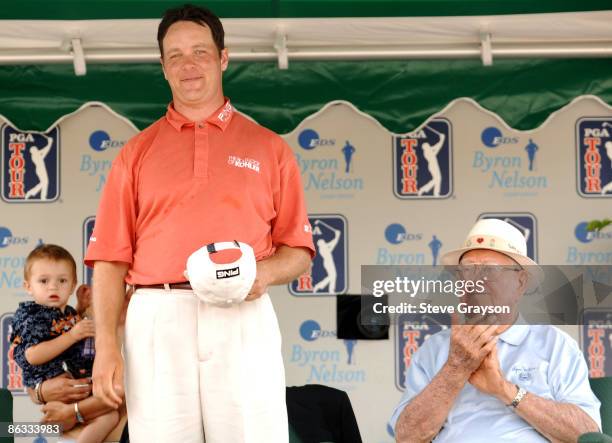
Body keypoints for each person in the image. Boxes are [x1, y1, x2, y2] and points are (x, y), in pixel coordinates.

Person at [85, 4, 314, 443]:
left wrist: (259, 273)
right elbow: (110, 260)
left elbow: (298, 251)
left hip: (242, 311)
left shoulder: (270, 148)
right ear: (163, 68)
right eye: (175, 56)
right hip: (157, 315)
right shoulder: (135, 153)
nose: (188, 66)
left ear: (223, 58)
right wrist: (108, 347)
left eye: (200, 53)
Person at [391, 218, 601, 443]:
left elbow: (588, 435)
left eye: (490, 270)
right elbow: (407, 437)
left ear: (520, 282)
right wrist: (455, 368)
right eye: (466, 271)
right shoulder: (435, 348)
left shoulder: (555, 345)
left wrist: (504, 389)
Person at [11, 244, 119, 443]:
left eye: (62, 281)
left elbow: (64, 327)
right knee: (106, 416)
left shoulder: (67, 312)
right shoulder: (31, 316)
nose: (53, 287)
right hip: (53, 386)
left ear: (72, 285)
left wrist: (80, 310)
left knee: (107, 417)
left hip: (71, 383)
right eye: (43, 281)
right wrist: (72, 336)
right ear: (28, 286)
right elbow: (32, 355)